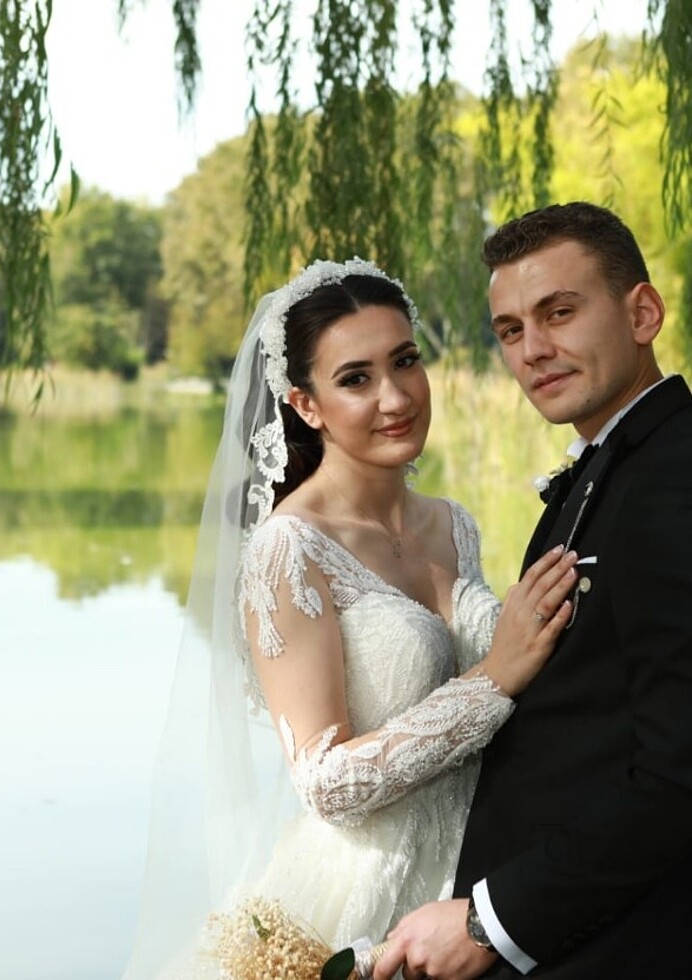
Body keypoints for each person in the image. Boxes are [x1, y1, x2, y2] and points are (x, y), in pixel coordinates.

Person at [120, 258, 578, 980]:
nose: (395, 397)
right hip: (363, 901)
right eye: (356, 379)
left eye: (405, 361)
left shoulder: (453, 524)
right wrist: (494, 679)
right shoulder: (288, 549)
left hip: (484, 879)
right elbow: (325, 782)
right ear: (306, 405)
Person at [374, 202, 692, 980]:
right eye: (510, 330)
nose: (533, 350)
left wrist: (490, 922)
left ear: (642, 313)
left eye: (559, 312)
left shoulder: (674, 478)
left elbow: (680, 772)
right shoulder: (607, 466)